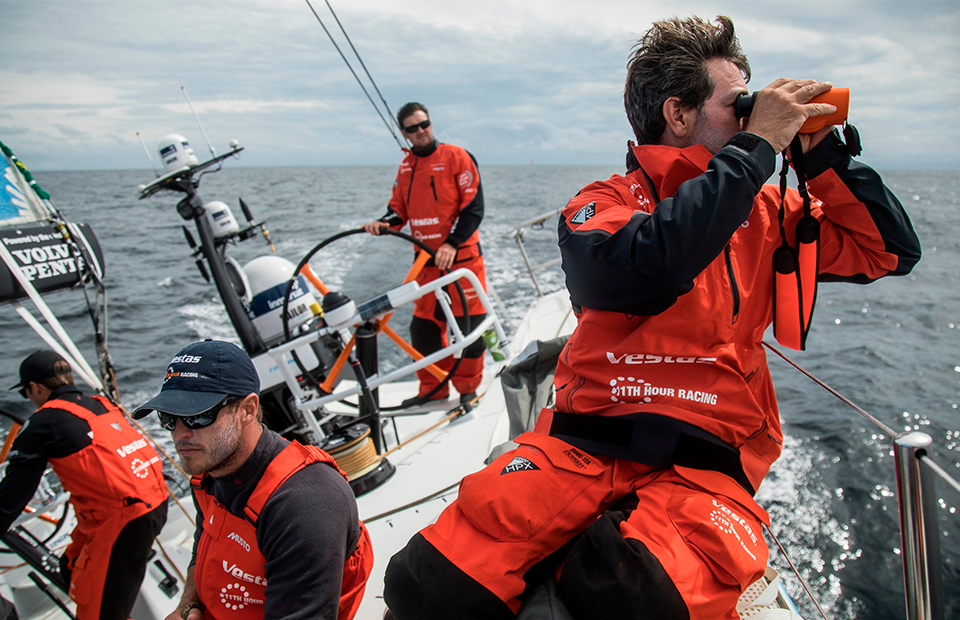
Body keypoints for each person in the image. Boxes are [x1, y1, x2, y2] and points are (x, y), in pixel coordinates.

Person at [383, 15, 921, 620]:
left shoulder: (770, 210)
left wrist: (821, 158)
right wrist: (756, 151)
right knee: (423, 584)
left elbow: (890, 250)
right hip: (585, 441)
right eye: (738, 104)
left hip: (706, 459)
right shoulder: (602, 203)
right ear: (679, 114)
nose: (751, 118)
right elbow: (645, 268)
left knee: (626, 595)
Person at [133, 340, 372, 620]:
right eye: (169, 417)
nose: (180, 434)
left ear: (247, 409)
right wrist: (189, 604)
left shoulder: (303, 505)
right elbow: (203, 549)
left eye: (197, 416)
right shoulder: (207, 470)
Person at [0, 350, 168, 620]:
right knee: (71, 566)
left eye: (26, 393)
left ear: (34, 387)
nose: (29, 399)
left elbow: (14, 494)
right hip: (155, 502)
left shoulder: (44, 421)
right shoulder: (99, 403)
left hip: (124, 520)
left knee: (99, 613)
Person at [363, 102, 487, 406]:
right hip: (426, 265)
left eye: (424, 124)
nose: (420, 131)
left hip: (461, 259)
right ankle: (433, 390)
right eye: (412, 128)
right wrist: (384, 223)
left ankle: (468, 389)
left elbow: (473, 208)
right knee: (423, 330)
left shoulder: (457, 156)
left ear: (430, 124)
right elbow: (398, 211)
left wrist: (452, 243)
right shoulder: (406, 168)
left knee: (470, 329)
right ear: (403, 133)